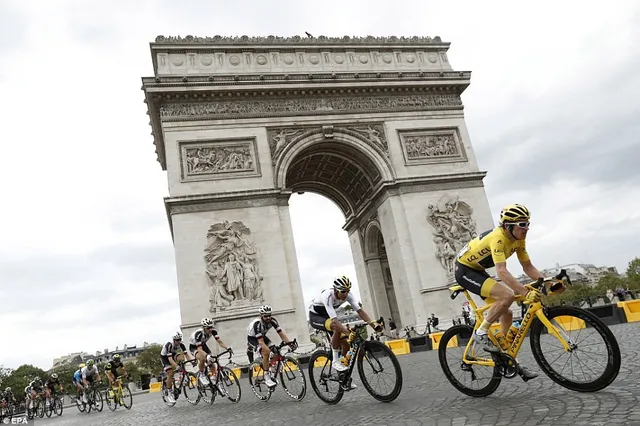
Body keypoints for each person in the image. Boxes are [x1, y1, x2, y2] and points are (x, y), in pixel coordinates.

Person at [454, 203, 543, 381]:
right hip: (464, 270)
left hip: (478, 270)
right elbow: (502, 271)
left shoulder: (518, 239)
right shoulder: (499, 237)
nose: (527, 228)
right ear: (508, 226)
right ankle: (480, 333)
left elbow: (528, 266)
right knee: (508, 296)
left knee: (507, 312)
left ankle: (508, 359)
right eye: (522, 224)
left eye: (528, 223)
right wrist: (524, 292)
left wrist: (546, 281)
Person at [308, 276, 383, 376]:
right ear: (336, 290)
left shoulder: (348, 295)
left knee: (346, 344)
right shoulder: (328, 296)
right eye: (343, 291)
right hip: (316, 316)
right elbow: (335, 321)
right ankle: (335, 361)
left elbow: (360, 311)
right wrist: (348, 332)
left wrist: (374, 326)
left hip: (329, 317)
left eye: (347, 291)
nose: (346, 294)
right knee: (337, 327)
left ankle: (343, 375)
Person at [246, 304, 297, 388]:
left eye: (269, 315)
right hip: (253, 339)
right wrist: (267, 351)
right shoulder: (257, 324)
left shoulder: (272, 321)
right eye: (266, 316)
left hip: (262, 336)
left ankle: (271, 370)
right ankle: (266, 376)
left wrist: (289, 343)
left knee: (276, 351)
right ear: (261, 316)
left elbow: (281, 333)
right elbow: (261, 342)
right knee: (266, 352)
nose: (268, 318)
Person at [189, 317, 233, 386]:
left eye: (211, 327)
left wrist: (227, 348)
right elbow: (199, 349)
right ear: (203, 328)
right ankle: (201, 374)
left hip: (203, 345)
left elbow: (219, 342)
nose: (210, 329)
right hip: (194, 347)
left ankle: (214, 379)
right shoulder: (199, 334)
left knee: (212, 361)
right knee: (202, 358)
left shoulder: (213, 331)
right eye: (208, 328)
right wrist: (207, 356)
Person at [160, 331, 194, 403]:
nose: (179, 342)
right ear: (174, 340)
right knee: (170, 373)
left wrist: (192, 361)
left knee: (181, 357)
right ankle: (169, 393)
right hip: (165, 357)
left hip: (173, 354)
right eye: (177, 340)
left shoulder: (181, 345)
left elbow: (186, 355)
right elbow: (170, 359)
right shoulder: (169, 345)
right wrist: (177, 366)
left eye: (179, 340)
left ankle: (182, 376)